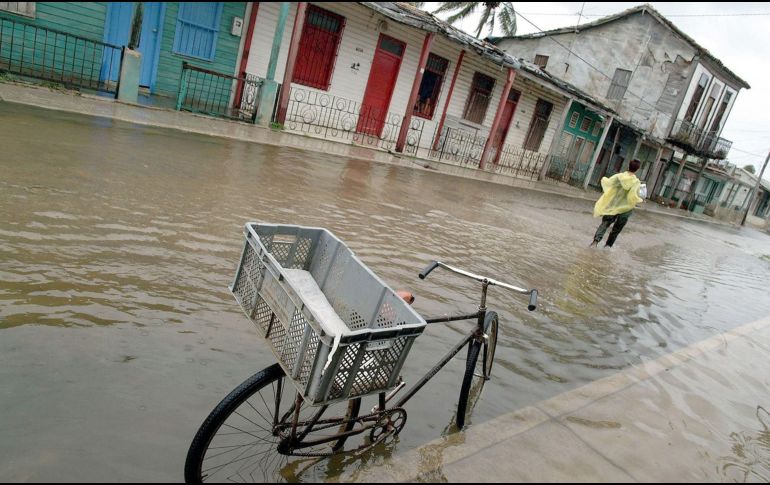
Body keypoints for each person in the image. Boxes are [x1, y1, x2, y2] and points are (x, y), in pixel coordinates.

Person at [590, 159, 644, 248]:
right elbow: (633, 195)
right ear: (637, 169)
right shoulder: (636, 182)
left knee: (605, 223)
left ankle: (595, 242)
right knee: (616, 229)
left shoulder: (619, 176)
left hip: (613, 205)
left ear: (628, 166)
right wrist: (639, 200)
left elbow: (608, 182)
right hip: (626, 209)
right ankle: (607, 246)